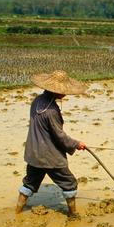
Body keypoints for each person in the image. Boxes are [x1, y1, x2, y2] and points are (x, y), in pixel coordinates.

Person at [16, 70, 88, 217]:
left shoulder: (37, 101)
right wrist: (76, 144)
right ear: (56, 91)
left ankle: (16, 212)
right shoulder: (52, 111)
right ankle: (73, 215)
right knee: (69, 183)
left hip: (34, 153)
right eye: (64, 91)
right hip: (50, 156)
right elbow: (59, 136)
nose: (65, 94)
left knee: (29, 183)